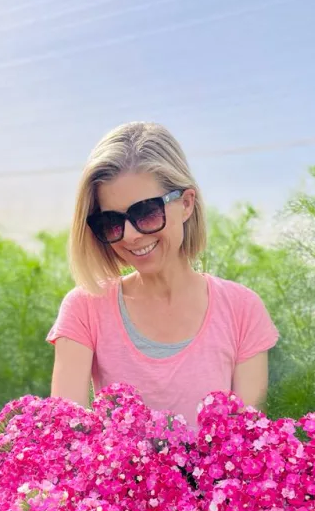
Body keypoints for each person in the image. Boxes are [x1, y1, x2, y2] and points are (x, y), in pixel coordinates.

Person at [46, 121, 279, 430]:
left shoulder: (242, 310)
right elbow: (64, 438)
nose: (129, 236)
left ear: (185, 204)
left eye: (146, 212)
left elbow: (249, 447)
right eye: (112, 222)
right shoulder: (85, 309)